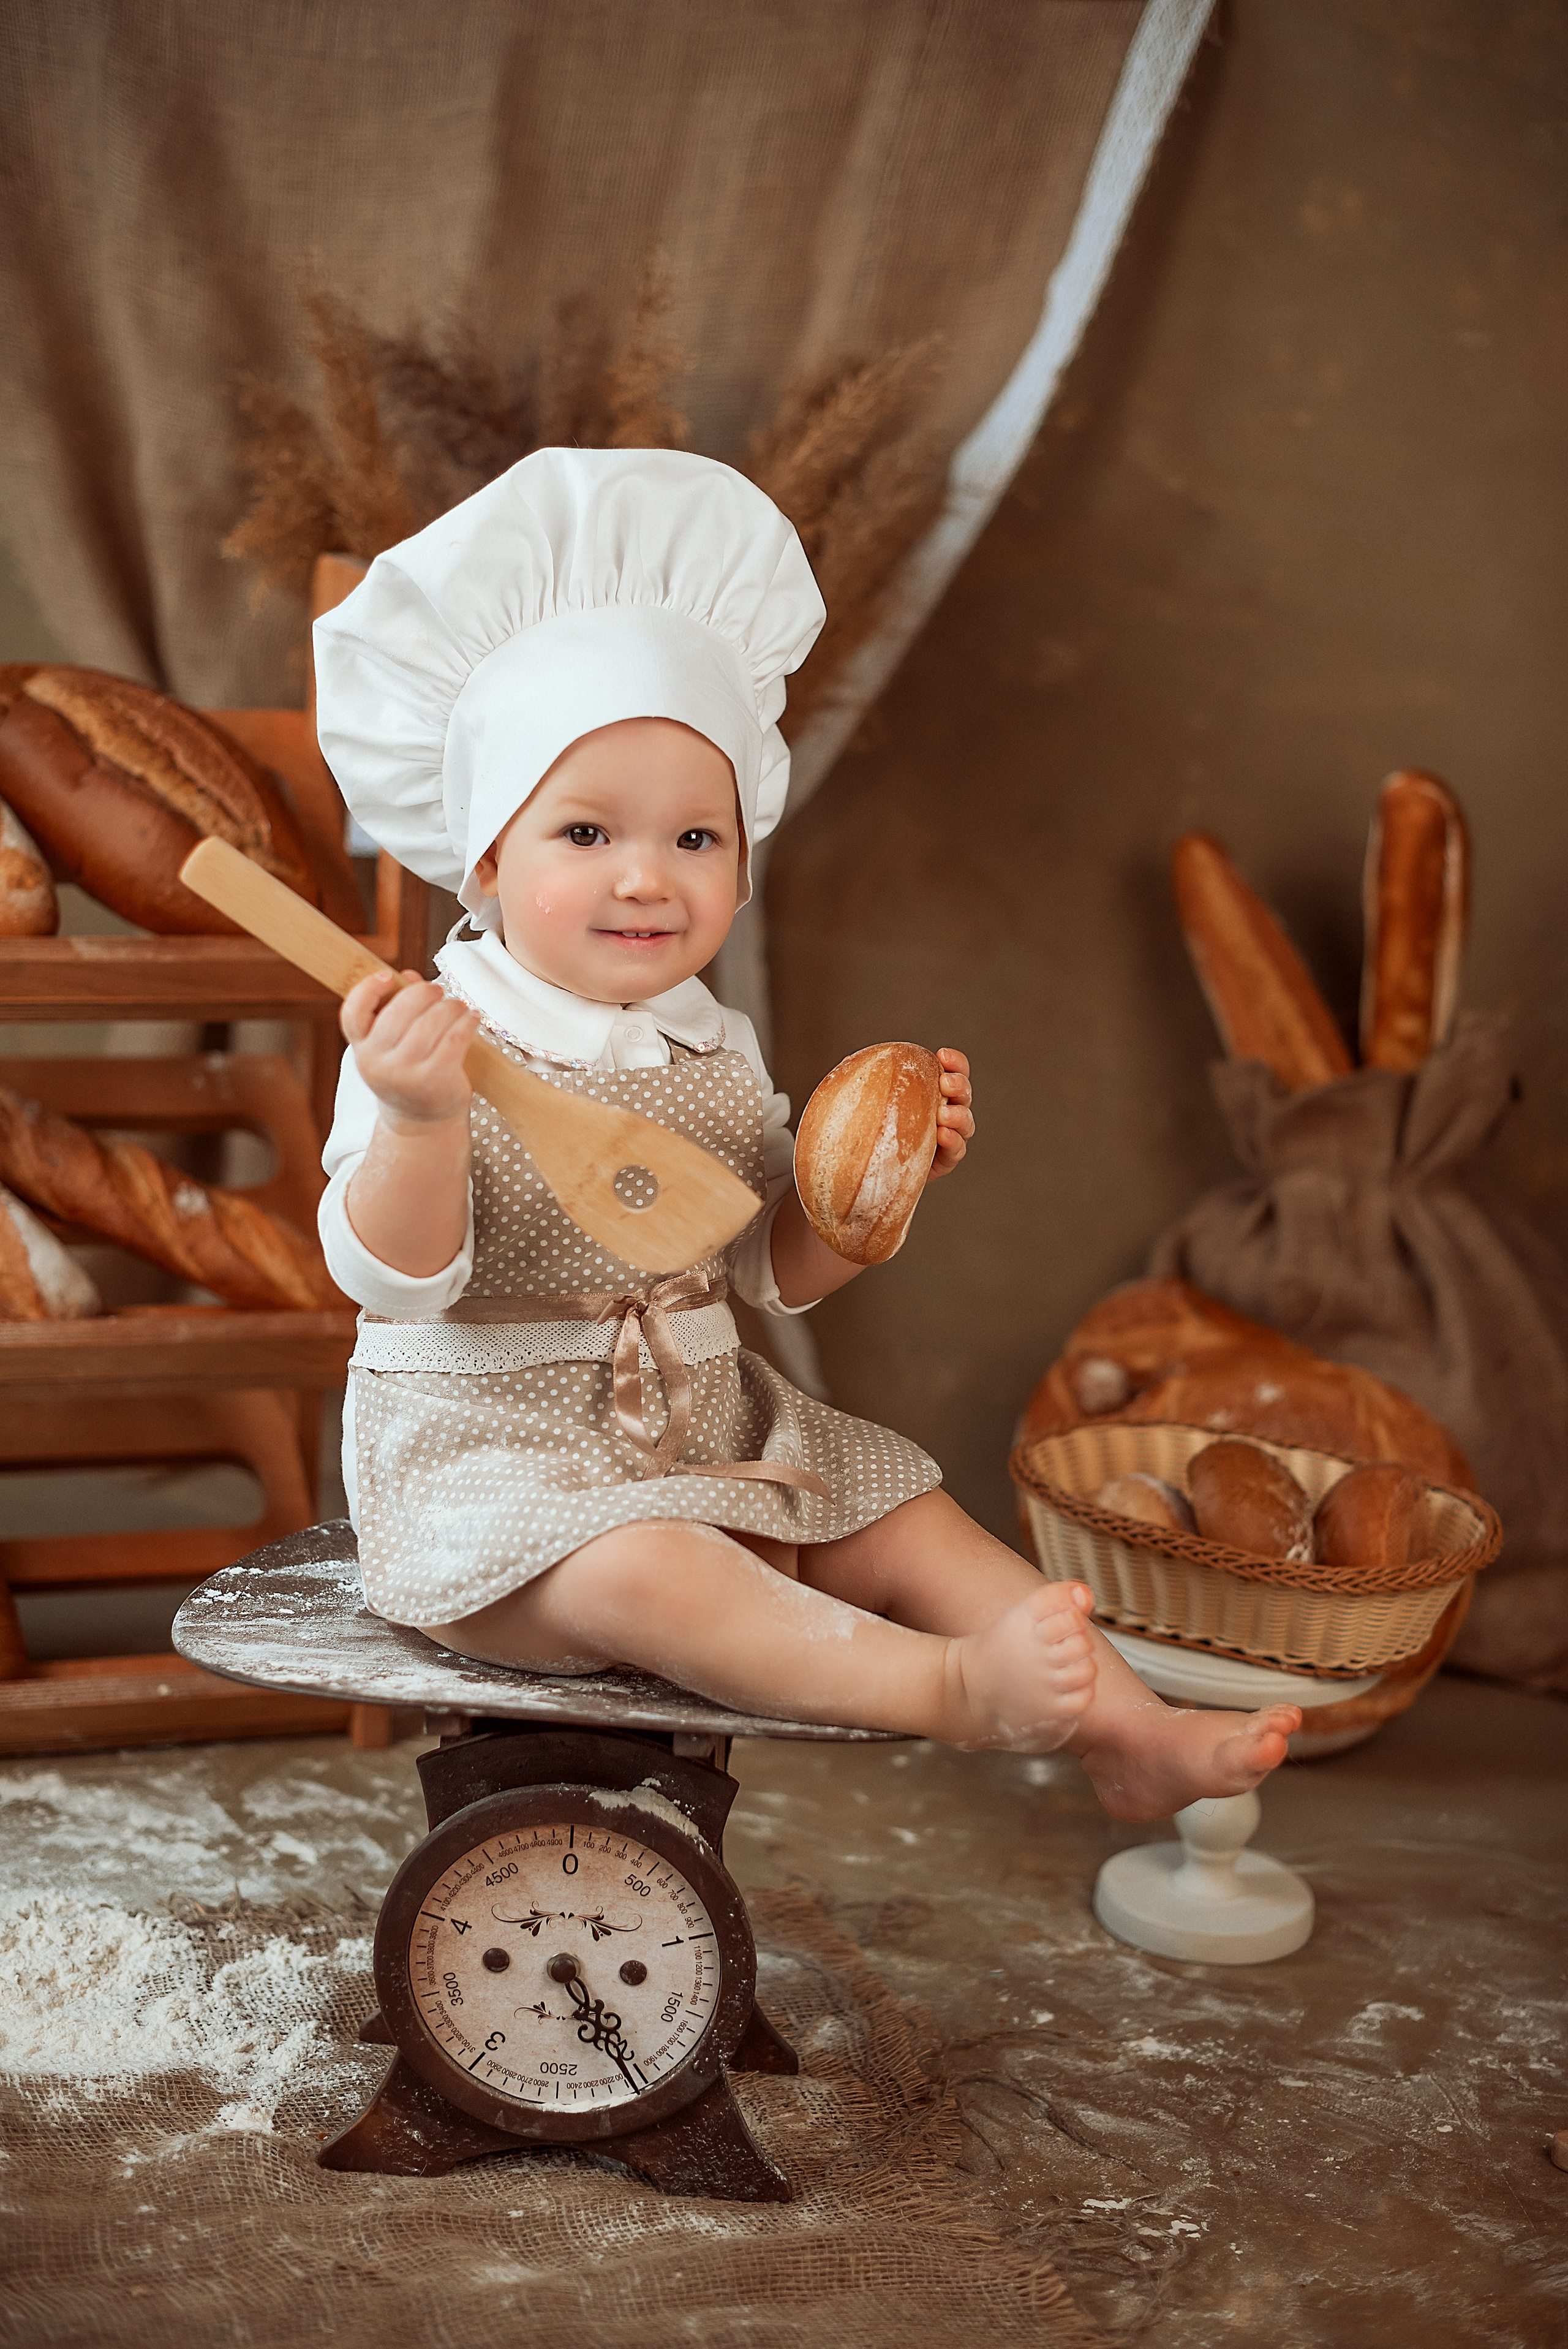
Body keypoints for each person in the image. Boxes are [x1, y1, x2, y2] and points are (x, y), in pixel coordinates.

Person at [314, 448, 1300, 1818]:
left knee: (900, 1515)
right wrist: (421, 1121)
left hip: (706, 1428)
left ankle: (1130, 1733)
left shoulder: (709, 1040)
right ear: (486, 856)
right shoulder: (432, 1039)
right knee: (647, 1568)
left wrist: (860, 1200)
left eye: (697, 839)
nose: (646, 876)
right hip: (501, 1480)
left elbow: (763, 1270)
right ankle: (944, 1693)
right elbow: (390, 1276)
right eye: (585, 830)